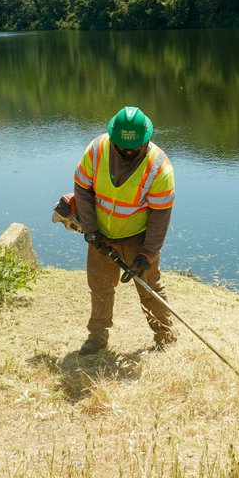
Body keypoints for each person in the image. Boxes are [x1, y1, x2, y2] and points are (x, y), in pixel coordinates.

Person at [73, 105, 175, 355]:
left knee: (150, 287)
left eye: (134, 147)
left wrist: (147, 254)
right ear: (113, 138)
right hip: (101, 234)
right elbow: (82, 189)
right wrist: (91, 229)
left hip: (138, 238)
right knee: (100, 287)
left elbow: (160, 216)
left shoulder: (159, 168)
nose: (127, 151)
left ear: (147, 139)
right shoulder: (97, 150)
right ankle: (97, 338)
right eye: (122, 146)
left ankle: (165, 336)